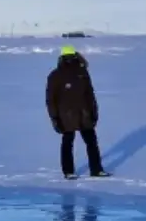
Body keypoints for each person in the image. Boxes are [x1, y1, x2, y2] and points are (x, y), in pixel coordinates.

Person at [46, 45, 109, 179]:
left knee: (90, 142)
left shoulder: (82, 73)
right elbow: (51, 99)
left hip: (84, 114)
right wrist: (55, 118)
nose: (69, 60)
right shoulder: (56, 75)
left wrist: (94, 111)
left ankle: (96, 170)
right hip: (67, 116)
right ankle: (69, 171)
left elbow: (90, 94)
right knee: (69, 142)